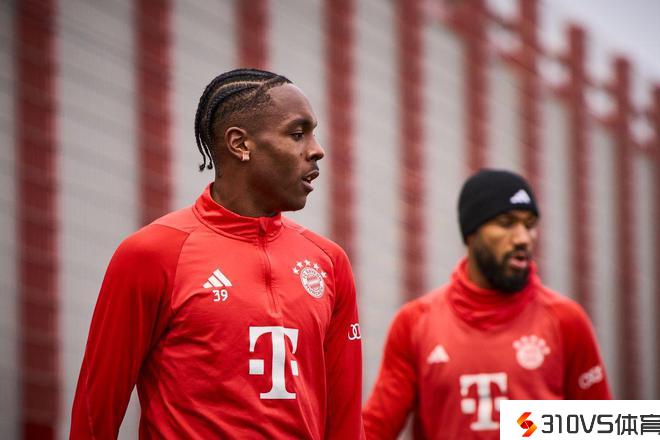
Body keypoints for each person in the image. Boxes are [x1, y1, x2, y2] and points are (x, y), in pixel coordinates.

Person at [71, 68, 364, 439]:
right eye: (297, 133)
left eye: (313, 133)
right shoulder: (151, 254)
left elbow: (346, 425)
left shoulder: (329, 262)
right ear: (240, 144)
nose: (317, 149)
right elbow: (94, 416)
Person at [362, 169, 611, 440]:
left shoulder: (566, 320)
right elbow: (374, 429)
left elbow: (602, 428)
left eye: (529, 225)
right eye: (506, 223)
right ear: (471, 234)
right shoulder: (415, 322)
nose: (523, 238)